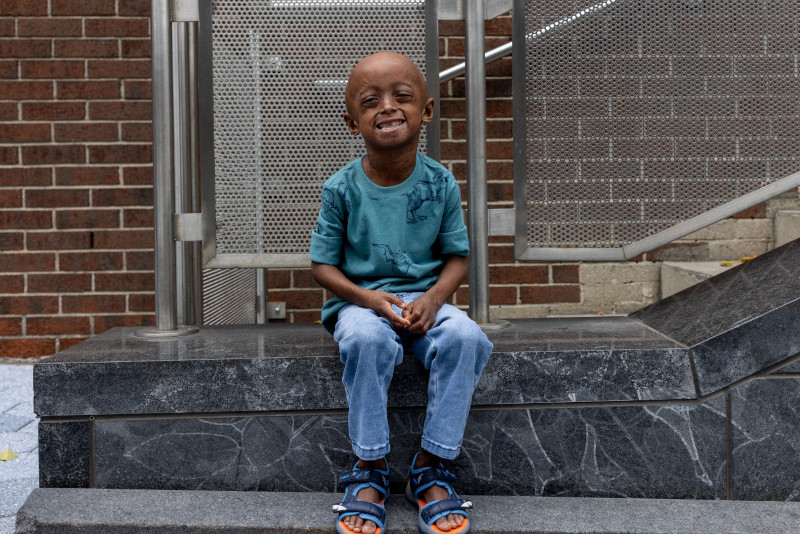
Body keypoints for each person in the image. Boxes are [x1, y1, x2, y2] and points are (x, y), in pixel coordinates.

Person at [310, 51, 493, 534]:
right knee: (366, 341)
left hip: (425, 301)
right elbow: (322, 266)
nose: (387, 107)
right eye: (371, 101)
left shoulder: (440, 183)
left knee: (467, 338)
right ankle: (369, 469)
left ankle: (430, 467)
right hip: (362, 303)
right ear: (352, 121)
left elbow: (458, 258)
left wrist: (433, 299)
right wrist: (368, 299)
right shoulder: (340, 189)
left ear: (427, 111)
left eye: (402, 97)